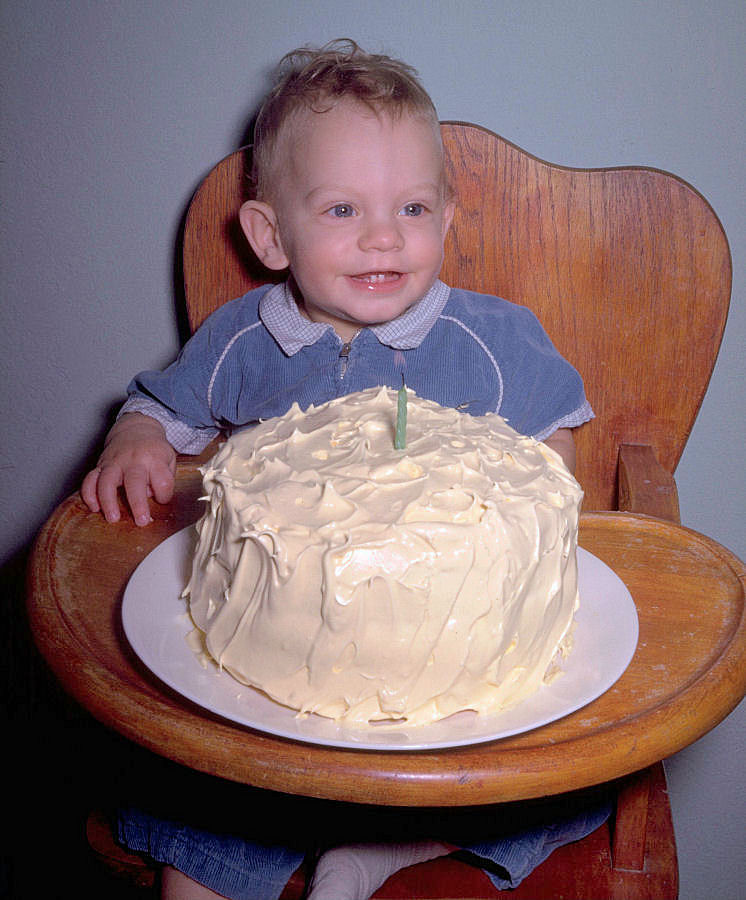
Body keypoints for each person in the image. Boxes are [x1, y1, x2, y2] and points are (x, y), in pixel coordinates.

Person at [82, 39, 607, 900]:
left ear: (445, 218)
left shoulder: (493, 339)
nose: (381, 237)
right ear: (269, 233)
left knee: (568, 782)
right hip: (273, 701)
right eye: (339, 211)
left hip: (456, 701)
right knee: (207, 806)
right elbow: (159, 406)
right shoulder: (244, 343)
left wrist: (529, 496)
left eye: (411, 207)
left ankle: (379, 856)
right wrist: (135, 436)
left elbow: (556, 441)